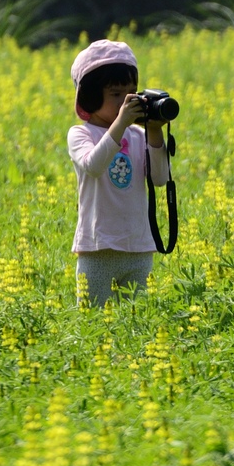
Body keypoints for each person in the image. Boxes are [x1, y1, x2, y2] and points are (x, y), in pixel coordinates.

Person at [67, 39, 171, 306]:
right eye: (116, 94)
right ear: (90, 95)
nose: (126, 100)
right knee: (93, 321)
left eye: (132, 92)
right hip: (98, 246)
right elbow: (94, 164)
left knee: (136, 326)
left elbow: (159, 179)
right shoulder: (81, 133)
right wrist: (122, 123)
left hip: (138, 246)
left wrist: (156, 132)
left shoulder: (138, 135)